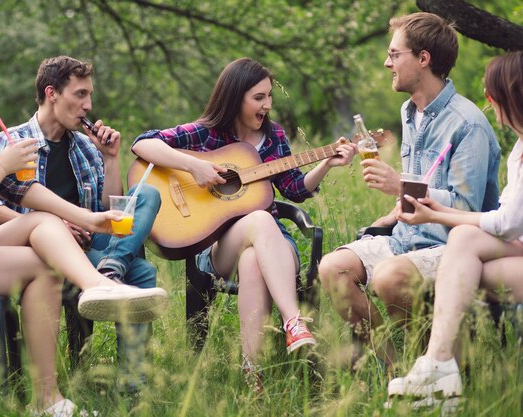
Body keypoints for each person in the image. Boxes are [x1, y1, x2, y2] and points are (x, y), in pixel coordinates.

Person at [0, 51, 167, 416]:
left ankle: (48, 399)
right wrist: (1, 167)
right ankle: (101, 285)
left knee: (43, 240)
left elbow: (22, 191)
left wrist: (90, 220)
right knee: (41, 241)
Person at [131, 57, 356, 389]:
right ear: (236, 97)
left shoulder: (274, 135)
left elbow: (294, 189)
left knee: (254, 254)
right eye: (258, 97)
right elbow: (142, 143)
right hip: (221, 248)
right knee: (260, 219)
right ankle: (294, 320)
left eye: (269, 97)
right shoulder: (207, 134)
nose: (267, 105)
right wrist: (194, 166)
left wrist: (326, 164)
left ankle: (253, 373)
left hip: (274, 246)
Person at [318, 12, 501, 363]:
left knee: (389, 277)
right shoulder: (409, 111)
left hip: (452, 246)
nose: (387, 63)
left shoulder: (468, 124)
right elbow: (418, 189)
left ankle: (436, 366)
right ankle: (394, 371)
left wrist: (398, 184)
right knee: (333, 269)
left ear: (423, 59)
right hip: (405, 239)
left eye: (394, 54)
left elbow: (465, 206)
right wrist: (391, 213)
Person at [0, 55, 162, 394]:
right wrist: (49, 225)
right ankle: (111, 278)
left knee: (145, 195)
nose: (88, 105)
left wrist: (110, 158)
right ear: (52, 93)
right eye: (80, 94)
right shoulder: (11, 142)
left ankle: (110, 273)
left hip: (90, 250)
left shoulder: (85, 148)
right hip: (39, 255)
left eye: (89, 96)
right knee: (142, 273)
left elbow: (109, 211)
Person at [386, 50, 523, 409]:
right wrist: (439, 211)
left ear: (510, 97)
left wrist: (439, 216)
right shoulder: (520, 149)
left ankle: (439, 369)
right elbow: (510, 218)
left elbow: (506, 223)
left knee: (463, 249)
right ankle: (442, 379)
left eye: (491, 97)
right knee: (467, 268)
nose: (489, 106)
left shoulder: (473, 126)